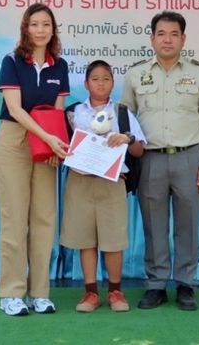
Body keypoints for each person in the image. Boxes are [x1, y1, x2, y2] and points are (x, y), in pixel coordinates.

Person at [120, 11, 199, 311]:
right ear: (152, 39)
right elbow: (125, 120)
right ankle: (156, 285)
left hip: (189, 157)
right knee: (154, 224)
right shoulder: (135, 75)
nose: (167, 40)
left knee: (187, 224)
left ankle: (186, 284)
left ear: (183, 39)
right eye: (161, 34)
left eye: (174, 34)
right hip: (151, 159)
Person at [0, 3, 70, 316]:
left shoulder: (60, 66)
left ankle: (40, 293)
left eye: (46, 24)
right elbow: (15, 109)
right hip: (14, 141)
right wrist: (48, 138)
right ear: (25, 28)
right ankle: (12, 293)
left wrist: (55, 145)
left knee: (44, 218)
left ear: (53, 29)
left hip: (47, 143)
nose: (40, 30)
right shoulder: (12, 61)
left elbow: (59, 110)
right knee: (13, 218)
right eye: (34, 24)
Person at [61, 60, 146, 313]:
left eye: (106, 79)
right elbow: (62, 145)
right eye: (95, 79)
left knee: (113, 239)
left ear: (113, 83)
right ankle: (90, 293)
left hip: (112, 182)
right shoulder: (73, 113)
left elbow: (139, 150)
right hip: (80, 181)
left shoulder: (122, 113)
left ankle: (115, 292)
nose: (101, 83)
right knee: (85, 238)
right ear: (86, 83)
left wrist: (127, 138)